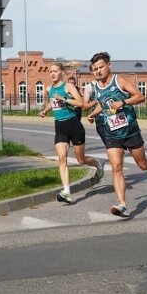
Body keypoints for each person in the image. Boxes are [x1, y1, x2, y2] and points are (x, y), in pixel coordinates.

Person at [86, 51, 147, 218]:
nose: (98, 71)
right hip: (111, 132)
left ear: (109, 66)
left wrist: (123, 102)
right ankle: (123, 205)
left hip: (130, 130)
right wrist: (93, 114)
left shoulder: (119, 80)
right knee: (116, 167)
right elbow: (103, 105)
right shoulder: (96, 87)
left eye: (101, 67)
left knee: (141, 164)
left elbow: (140, 96)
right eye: (95, 69)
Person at [39, 63, 104, 204]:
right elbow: (52, 101)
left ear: (62, 73)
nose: (52, 74)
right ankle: (67, 191)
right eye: (50, 71)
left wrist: (64, 99)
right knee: (62, 159)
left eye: (55, 71)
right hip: (60, 126)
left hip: (74, 125)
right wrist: (45, 110)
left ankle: (98, 164)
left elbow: (80, 102)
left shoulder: (68, 87)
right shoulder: (49, 89)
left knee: (81, 160)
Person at [82, 63, 107, 146]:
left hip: (115, 117)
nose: (98, 71)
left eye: (99, 68)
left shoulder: (111, 83)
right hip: (101, 121)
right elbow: (85, 106)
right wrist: (94, 102)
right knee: (111, 147)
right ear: (91, 72)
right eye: (95, 70)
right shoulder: (89, 87)